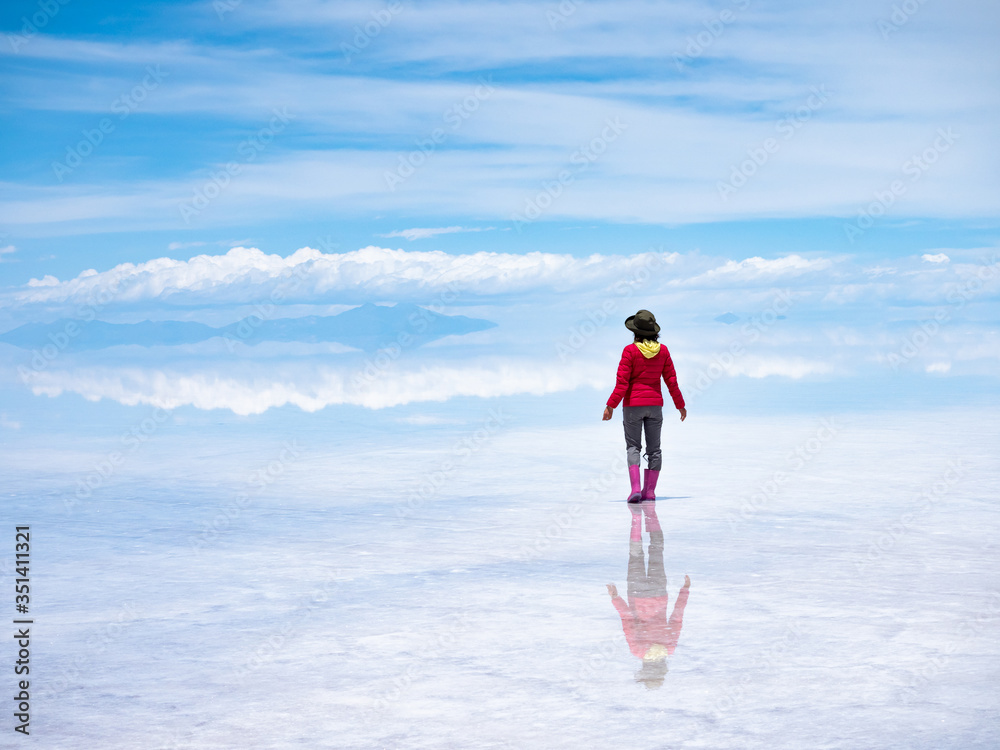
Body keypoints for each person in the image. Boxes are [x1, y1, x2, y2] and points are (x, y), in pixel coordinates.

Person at [602, 309, 686, 502]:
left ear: (635, 332)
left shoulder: (629, 351)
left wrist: (610, 406)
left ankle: (635, 490)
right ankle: (650, 492)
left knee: (633, 447)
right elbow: (671, 381)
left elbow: (622, 383)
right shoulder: (663, 351)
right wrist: (680, 405)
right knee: (654, 449)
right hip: (655, 406)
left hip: (632, 406)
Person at [606, 501, 690, 689]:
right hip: (637, 593)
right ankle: (636, 519)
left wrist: (684, 591)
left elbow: (677, 618)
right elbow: (627, 620)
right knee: (635, 554)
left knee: (657, 548)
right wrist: (615, 598)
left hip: (658, 591)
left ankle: (650, 514)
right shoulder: (637, 651)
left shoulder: (670, 648)